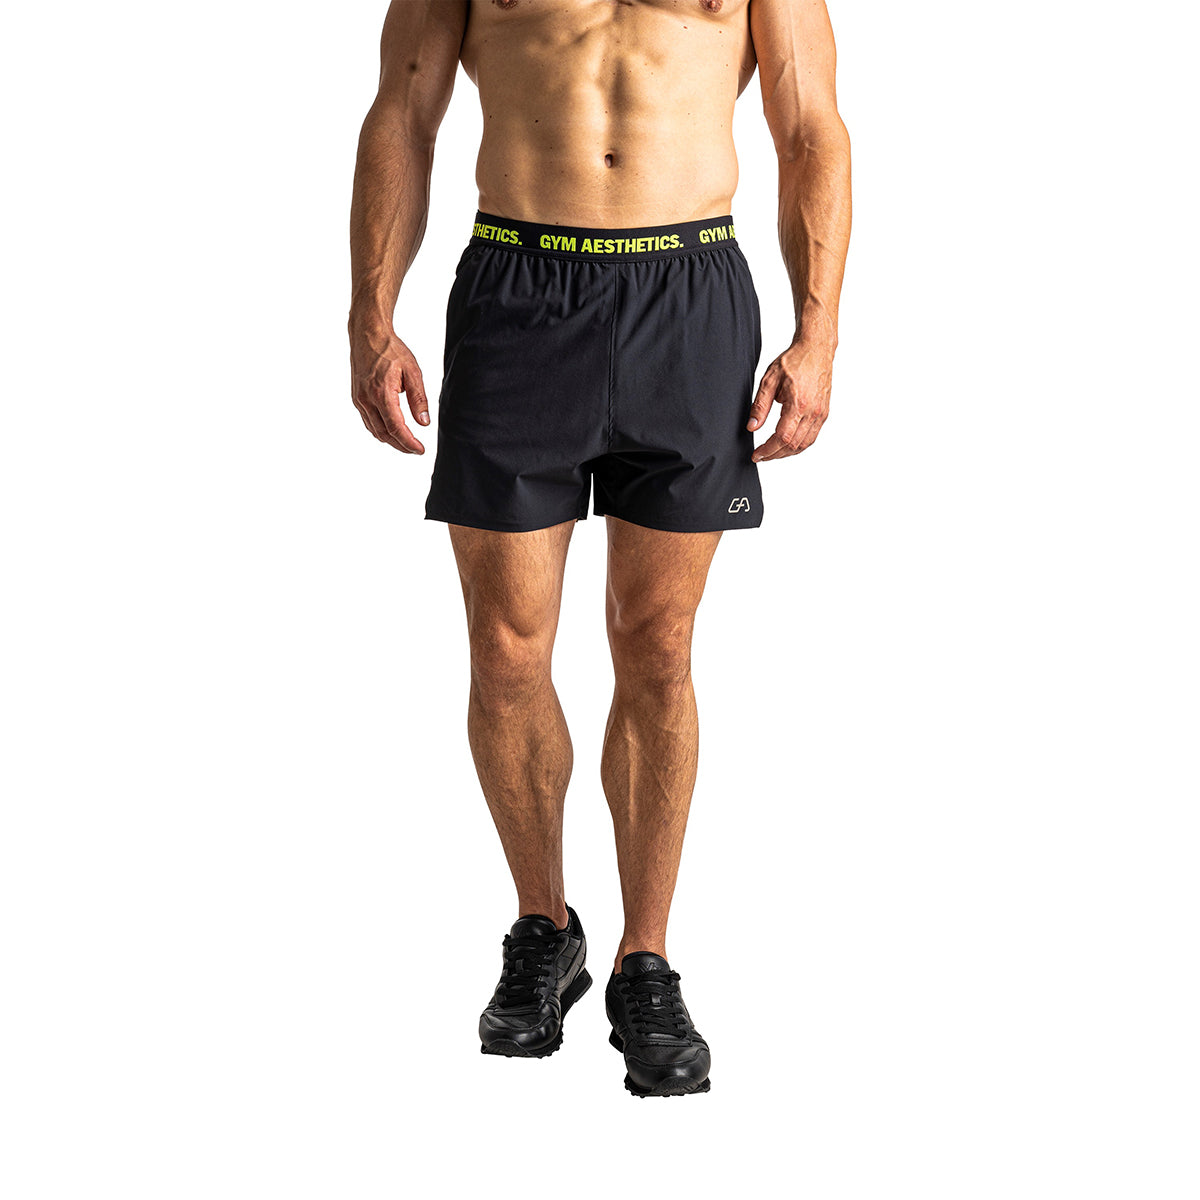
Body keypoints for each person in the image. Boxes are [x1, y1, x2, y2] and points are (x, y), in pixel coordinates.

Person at [348, 0, 850, 1098]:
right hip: (519, 287)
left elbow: (810, 122)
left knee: (657, 647)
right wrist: (369, 315)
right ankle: (544, 927)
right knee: (506, 651)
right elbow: (405, 108)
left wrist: (818, 331)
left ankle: (645, 961)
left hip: (688, 291)